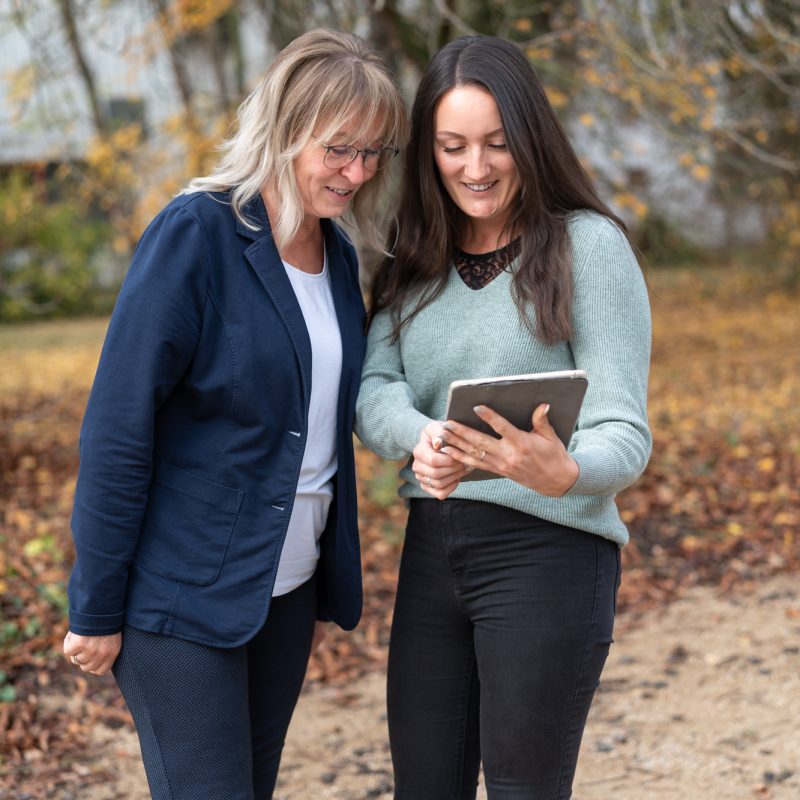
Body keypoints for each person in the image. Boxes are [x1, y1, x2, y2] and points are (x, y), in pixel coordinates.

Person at [62, 28, 407, 800]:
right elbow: (119, 428)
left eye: (374, 153)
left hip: (280, 593)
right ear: (286, 131)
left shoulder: (338, 252)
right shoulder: (198, 233)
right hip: (179, 597)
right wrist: (95, 603)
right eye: (340, 149)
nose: (358, 172)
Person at [355, 35, 651, 800]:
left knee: (524, 788)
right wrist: (417, 436)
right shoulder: (412, 253)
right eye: (453, 147)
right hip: (434, 551)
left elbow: (624, 429)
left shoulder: (590, 247)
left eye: (496, 144)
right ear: (429, 151)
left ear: (530, 139)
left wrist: (569, 471)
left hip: (550, 554)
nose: (476, 168)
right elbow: (375, 384)